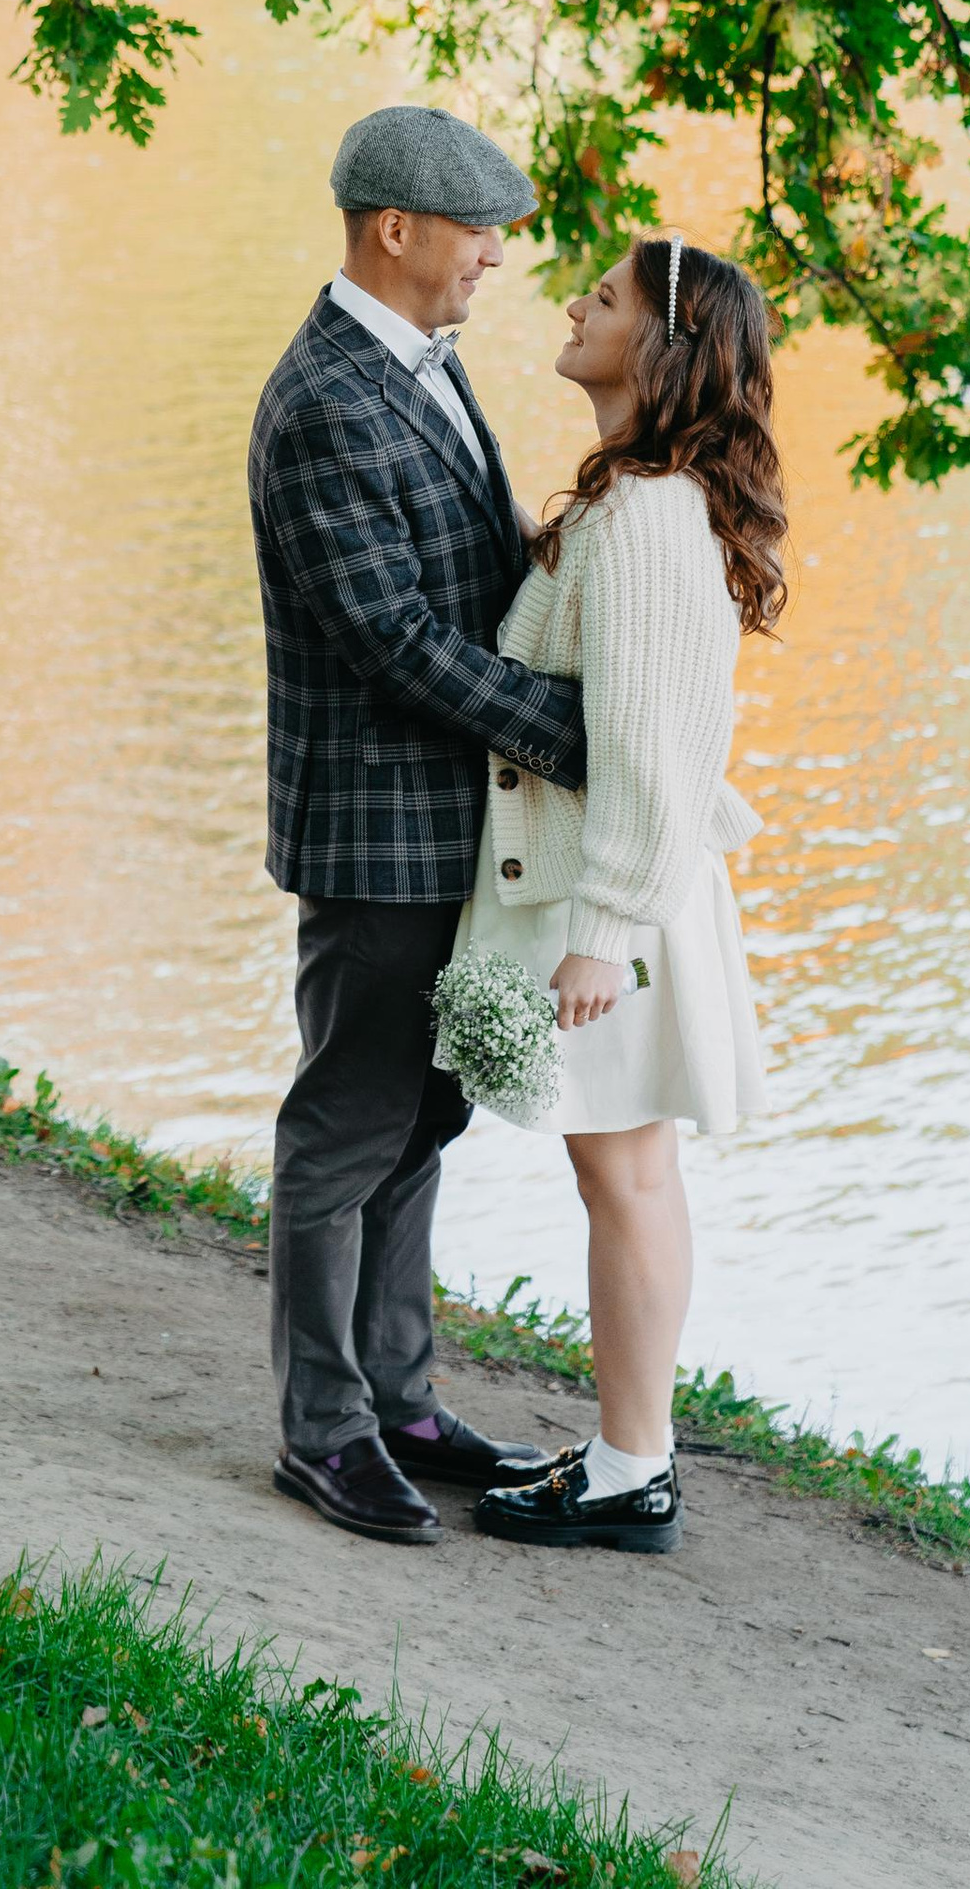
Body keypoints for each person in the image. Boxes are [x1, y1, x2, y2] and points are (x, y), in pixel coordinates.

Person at [248, 103, 587, 1547]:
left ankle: (397, 1394)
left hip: (449, 821)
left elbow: (476, 559)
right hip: (374, 829)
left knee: (424, 1115)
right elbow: (391, 633)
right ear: (396, 228)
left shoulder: (425, 367)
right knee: (348, 1123)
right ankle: (322, 1430)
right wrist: (560, 728)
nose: (495, 256)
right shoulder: (327, 396)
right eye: (478, 229)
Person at [461, 232, 785, 1560]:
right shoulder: (636, 499)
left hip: (623, 907)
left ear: (662, 348)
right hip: (627, 892)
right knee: (622, 1173)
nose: (574, 304)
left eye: (603, 297)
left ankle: (632, 1468)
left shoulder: (650, 516)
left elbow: (655, 747)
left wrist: (601, 933)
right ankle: (621, 1449)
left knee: (628, 1174)